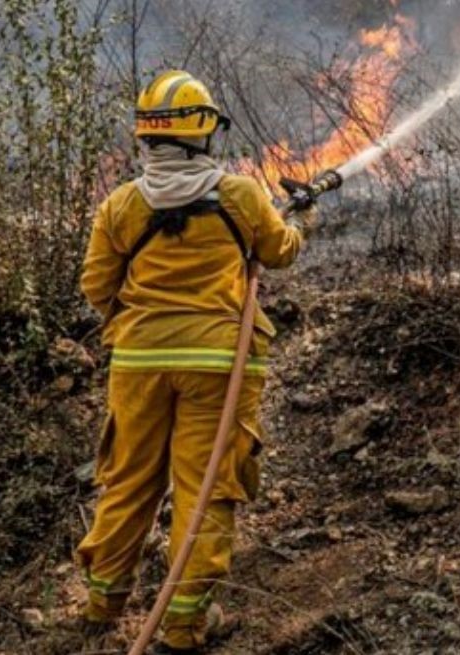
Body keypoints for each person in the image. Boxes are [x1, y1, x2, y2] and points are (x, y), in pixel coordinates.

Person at [75, 70, 316, 654]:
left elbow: (95, 286)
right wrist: (301, 221)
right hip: (219, 365)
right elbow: (279, 253)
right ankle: (182, 627)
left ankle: (103, 605)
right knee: (203, 490)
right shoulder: (239, 195)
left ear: (148, 137)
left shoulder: (120, 204)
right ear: (202, 132)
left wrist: (140, 318)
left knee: (128, 481)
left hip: (137, 364)